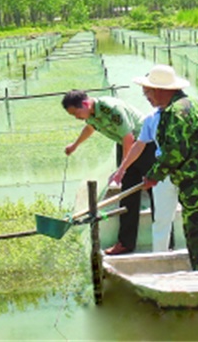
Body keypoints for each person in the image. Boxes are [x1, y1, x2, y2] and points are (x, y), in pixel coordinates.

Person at [133, 64, 198, 271]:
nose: (147, 97)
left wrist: (154, 176)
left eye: (147, 93)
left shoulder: (175, 113)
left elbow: (173, 152)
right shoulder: (193, 104)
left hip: (197, 185)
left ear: (160, 90)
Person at [62, 90, 156, 255]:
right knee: (127, 194)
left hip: (145, 144)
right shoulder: (90, 113)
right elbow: (90, 128)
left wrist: (122, 169)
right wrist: (75, 145)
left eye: (76, 113)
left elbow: (129, 138)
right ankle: (126, 243)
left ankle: (165, 242)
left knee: (155, 192)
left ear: (85, 104)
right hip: (127, 146)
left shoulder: (111, 109)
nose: (77, 117)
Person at [109, 105, 179, 252]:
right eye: (146, 92)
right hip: (157, 166)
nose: (147, 96)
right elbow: (138, 144)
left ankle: (173, 247)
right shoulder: (150, 118)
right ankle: (130, 244)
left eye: (149, 91)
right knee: (132, 197)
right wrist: (122, 169)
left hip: (183, 171)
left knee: (165, 207)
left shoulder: (184, 113)